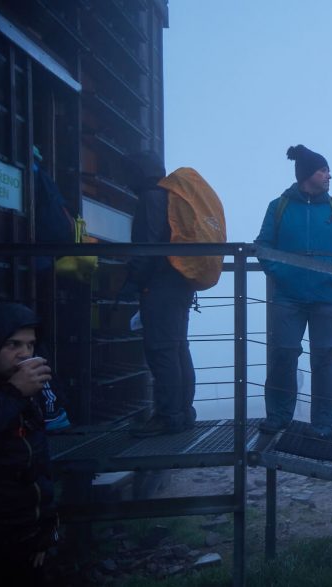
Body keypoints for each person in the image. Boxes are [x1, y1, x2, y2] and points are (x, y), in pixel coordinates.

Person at [255, 145, 332, 439]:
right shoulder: (277, 207)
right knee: (283, 355)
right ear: (307, 175)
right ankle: (278, 417)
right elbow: (263, 246)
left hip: (327, 298)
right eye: (323, 170)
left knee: (326, 360)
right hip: (287, 297)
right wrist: (280, 272)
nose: (330, 175)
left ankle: (324, 424)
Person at [122, 151, 197, 437]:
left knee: (162, 350)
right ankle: (184, 412)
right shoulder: (171, 197)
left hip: (160, 286)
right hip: (181, 282)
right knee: (178, 348)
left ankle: (168, 416)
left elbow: (148, 246)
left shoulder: (151, 198)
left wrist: (132, 281)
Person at [0, 302, 58, 585]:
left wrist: (45, 528)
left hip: (26, 537)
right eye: (13, 344)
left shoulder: (26, 395)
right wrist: (14, 392)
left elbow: (37, 464)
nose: (24, 354)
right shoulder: (16, 391)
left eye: (30, 345)